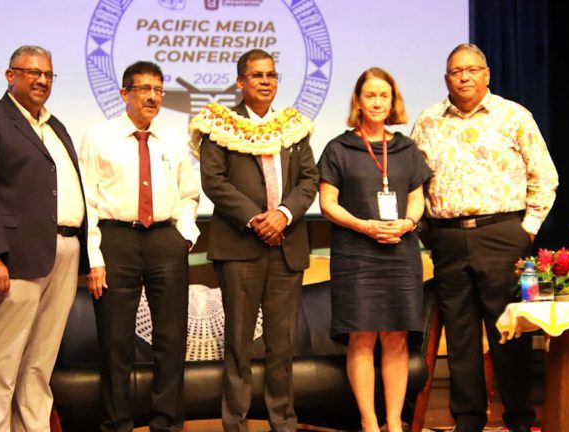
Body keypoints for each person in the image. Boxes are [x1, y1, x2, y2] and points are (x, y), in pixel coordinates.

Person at [410, 43, 558, 432]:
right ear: (446, 78)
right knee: (459, 336)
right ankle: (469, 420)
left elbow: (545, 177)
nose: (464, 77)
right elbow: (413, 185)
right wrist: (428, 231)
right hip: (447, 238)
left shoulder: (513, 116)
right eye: (456, 71)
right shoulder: (427, 121)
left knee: (508, 331)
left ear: (486, 74)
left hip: (502, 234)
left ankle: (519, 419)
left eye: (472, 70)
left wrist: (525, 231)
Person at [0, 45, 89, 432]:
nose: (41, 80)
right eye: (31, 72)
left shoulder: (55, 125)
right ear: (9, 75)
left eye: (47, 74)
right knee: (2, 358)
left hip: (64, 251)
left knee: (40, 359)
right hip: (16, 255)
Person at [195, 49, 319, 432]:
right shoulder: (222, 124)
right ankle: (236, 423)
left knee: (282, 345)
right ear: (241, 82)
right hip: (239, 248)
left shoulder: (292, 127)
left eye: (271, 75)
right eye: (257, 75)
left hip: (287, 246)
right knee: (238, 344)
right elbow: (214, 181)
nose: (265, 81)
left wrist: (282, 215)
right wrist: (255, 219)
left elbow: (309, 180)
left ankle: (283, 421)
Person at [79, 61, 199, 432]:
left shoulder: (175, 139)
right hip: (117, 240)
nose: (152, 97)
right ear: (124, 93)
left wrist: (185, 235)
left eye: (159, 90)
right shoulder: (99, 137)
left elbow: (189, 193)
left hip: (165, 239)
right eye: (144, 89)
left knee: (171, 338)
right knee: (116, 341)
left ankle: (167, 423)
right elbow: (88, 201)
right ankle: (117, 423)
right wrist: (94, 256)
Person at [317, 67, 430, 432]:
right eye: (370, 96)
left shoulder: (406, 149)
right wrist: (365, 226)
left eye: (384, 95)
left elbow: (417, 199)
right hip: (356, 254)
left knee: (396, 338)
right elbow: (327, 204)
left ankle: (394, 423)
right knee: (362, 337)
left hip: (400, 251)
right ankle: (368, 422)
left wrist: (408, 223)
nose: (378, 102)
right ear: (358, 102)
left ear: (392, 101)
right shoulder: (339, 147)